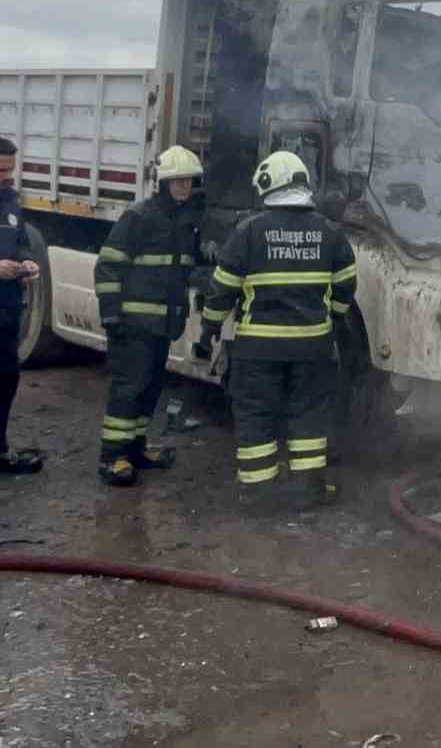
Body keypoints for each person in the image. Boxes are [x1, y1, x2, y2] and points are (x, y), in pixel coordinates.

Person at [203, 150, 356, 510]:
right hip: (313, 348)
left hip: (258, 349)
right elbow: (346, 285)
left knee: (257, 414)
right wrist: (332, 320)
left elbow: (223, 288)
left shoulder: (249, 231)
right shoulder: (330, 232)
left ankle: (259, 493)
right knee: (307, 417)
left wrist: (210, 325)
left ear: (268, 187)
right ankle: (308, 491)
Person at [92, 145, 206, 487]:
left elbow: (183, 268)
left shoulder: (186, 222)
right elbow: (108, 266)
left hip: (162, 326)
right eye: (177, 181)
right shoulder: (139, 216)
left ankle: (135, 448)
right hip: (133, 325)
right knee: (129, 388)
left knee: (150, 388)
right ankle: (112, 457)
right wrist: (111, 317)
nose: (184, 187)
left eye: (189, 181)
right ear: (163, 182)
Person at [1, 137, 44, 476]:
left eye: (11, 169)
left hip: (6, 309)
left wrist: (27, 262)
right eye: (1, 170)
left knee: (6, 379)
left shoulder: (12, 201)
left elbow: (21, 243)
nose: (8, 176)